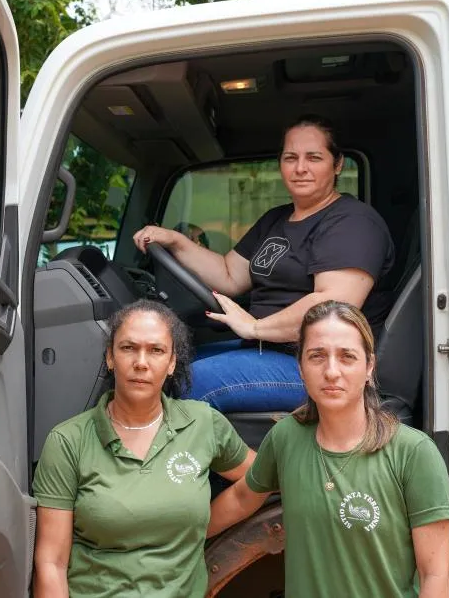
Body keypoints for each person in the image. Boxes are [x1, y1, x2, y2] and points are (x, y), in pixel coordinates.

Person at [133, 114, 395, 412]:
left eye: (314, 157)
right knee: (166, 365)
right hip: (270, 350)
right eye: (290, 157)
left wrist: (256, 327)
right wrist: (176, 241)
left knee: (185, 384)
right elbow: (229, 275)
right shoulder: (276, 219)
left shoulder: (353, 222)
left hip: (321, 366)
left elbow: (329, 309)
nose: (300, 168)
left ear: (337, 164)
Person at [207, 300, 449, 597]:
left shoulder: (413, 453)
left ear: (369, 366)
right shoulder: (286, 437)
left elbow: (436, 576)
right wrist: (180, 536)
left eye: (347, 357)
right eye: (317, 356)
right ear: (300, 367)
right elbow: (243, 496)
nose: (331, 371)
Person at [31, 300, 255, 598]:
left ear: (173, 362)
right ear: (110, 357)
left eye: (156, 350)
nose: (141, 362)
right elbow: (51, 564)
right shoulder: (68, 440)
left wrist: (193, 531)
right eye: (128, 348)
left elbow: (258, 481)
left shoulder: (203, 423)